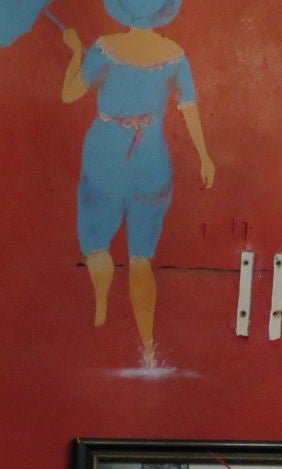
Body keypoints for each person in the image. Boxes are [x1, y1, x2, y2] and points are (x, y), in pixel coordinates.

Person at [60, 0, 215, 368]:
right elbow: (190, 108)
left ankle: (101, 302)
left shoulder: (104, 48)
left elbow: (69, 94)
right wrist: (205, 157)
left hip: (105, 158)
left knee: (96, 244)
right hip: (152, 161)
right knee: (141, 258)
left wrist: (74, 52)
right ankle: (147, 348)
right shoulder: (175, 54)